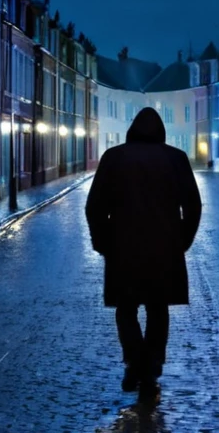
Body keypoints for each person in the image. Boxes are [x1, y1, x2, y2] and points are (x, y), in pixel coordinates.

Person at [85, 107, 202, 403]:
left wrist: (102, 242)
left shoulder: (114, 157)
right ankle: (150, 367)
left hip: (122, 247)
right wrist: (182, 241)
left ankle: (134, 362)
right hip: (165, 248)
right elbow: (193, 206)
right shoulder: (176, 158)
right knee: (157, 308)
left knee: (126, 309)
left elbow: (95, 206)